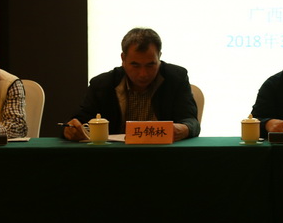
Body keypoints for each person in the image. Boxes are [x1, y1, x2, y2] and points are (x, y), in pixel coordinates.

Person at [63, 27, 200, 142]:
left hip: (163, 154)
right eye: (135, 65)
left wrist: (184, 128)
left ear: (159, 57)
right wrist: (71, 129)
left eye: (150, 65)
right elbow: (78, 121)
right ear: (123, 59)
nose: (143, 74)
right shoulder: (102, 84)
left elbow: (191, 121)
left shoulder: (176, 78)